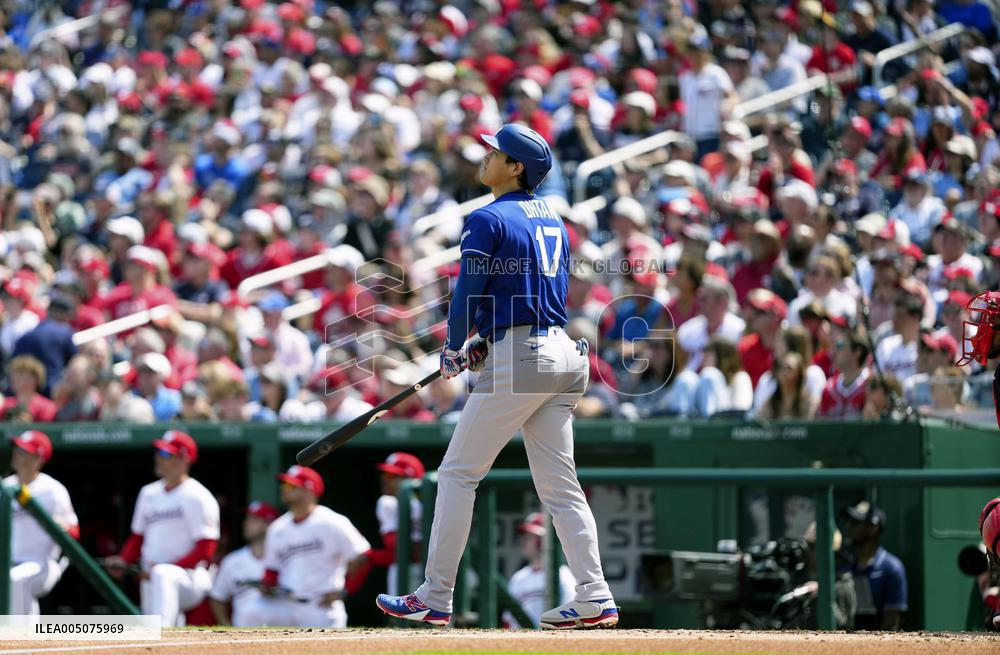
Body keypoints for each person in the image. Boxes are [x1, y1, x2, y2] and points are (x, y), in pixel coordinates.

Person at [376, 124, 618, 629]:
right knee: (560, 487)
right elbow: (532, 292)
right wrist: (486, 339)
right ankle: (595, 593)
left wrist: (453, 344)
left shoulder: (487, 216)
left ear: (516, 167)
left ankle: (435, 595)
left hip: (524, 356)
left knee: (456, 475)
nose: (486, 156)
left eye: (496, 151)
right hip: (562, 352)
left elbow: (468, 288)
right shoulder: (552, 218)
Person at [102, 431, 220, 627]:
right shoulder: (148, 493)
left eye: (166, 454)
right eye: (158, 453)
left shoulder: (198, 496)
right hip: (151, 576)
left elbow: (206, 549)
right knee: (159, 621)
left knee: (164, 576)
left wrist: (164, 569)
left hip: (190, 577)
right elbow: (138, 537)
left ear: (184, 460)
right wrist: (123, 560)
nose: (159, 458)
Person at [241, 465, 370, 628]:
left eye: (291, 486)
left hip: (320, 605)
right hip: (286, 603)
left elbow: (364, 556)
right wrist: (266, 586)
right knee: (251, 611)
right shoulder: (277, 527)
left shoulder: (332, 521)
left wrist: (345, 591)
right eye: (285, 485)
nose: (284, 489)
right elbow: (272, 570)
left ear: (310, 491)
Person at [5, 431, 78, 616]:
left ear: (38, 459)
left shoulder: (53, 490)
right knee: (13, 578)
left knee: (17, 580)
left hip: (44, 563)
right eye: (17, 449)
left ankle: (25, 633)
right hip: (9, 561)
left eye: (23, 451)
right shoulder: (5, 486)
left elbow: (74, 532)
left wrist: (64, 528)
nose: (16, 453)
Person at [350, 453, 426, 597]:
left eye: (392, 476)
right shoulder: (391, 503)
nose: (384, 479)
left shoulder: (389, 503)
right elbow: (404, 551)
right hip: (413, 570)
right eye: (384, 474)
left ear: (411, 479)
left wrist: (372, 557)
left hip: (424, 572)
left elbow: (408, 552)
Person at [209, 501, 280, 627]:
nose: (246, 523)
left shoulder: (283, 558)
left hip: (280, 631)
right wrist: (226, 627)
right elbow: (217, 598)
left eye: (254, 520)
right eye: (247, 519)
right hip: (243, 632)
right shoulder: (232, 561)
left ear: (268, 524)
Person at [841, 501, 908, 630]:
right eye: (848, 521)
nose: (848, 527)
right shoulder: (845, 567)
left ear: (873, 528)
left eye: (855, 522)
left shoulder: (892, 568)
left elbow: (891, 623)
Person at [504, 512, 576, 629]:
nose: (523, 542)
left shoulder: (564, 575)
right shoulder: (518, 578)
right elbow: (508, 620)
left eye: (529, 537)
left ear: (543, 541)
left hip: (552, 636)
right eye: (523, 537)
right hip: (520, 638)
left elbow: (571, 617)